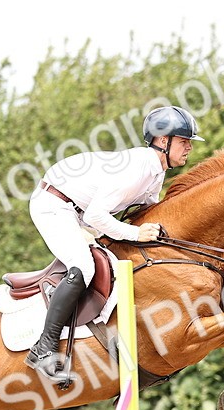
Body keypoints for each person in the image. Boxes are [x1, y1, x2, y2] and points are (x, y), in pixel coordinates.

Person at [24, 105, 204, 380]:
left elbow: (148, 211)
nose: (189, 147)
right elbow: (98, 215)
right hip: (54, 204)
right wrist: (136, 234)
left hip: (78, 212)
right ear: (163, 141)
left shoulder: (156, 170)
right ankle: (44, 348)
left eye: (188, 142)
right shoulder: (139, 168)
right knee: (83, 267)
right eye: (183, 141)